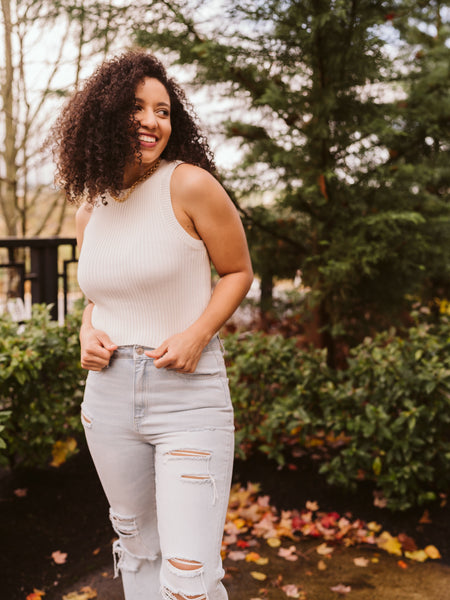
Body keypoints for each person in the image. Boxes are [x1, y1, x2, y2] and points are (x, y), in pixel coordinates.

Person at [51, 51, 253, 600]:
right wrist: (85, 332)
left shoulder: (190, 185)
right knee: (138, 550)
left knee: (189, 575)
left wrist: (196, 334)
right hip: (109, 398)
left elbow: (237, 271)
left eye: (163, 110)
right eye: (136, 107)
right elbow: (97, 296)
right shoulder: (89, 207)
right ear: (104, 115)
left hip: (188, 396)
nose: (151, 121)